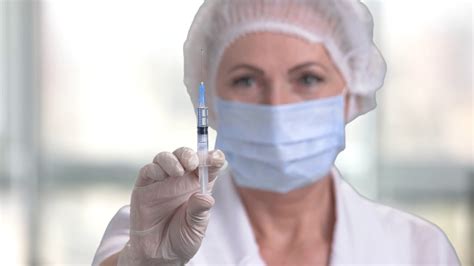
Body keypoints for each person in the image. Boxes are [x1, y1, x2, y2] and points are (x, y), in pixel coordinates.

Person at [93, 0, 460, 265]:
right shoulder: (151, 232)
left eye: (308, 78)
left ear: (351, 95)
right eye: (247, 79)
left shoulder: (418, 250)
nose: (276, 106)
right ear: (211, 101)